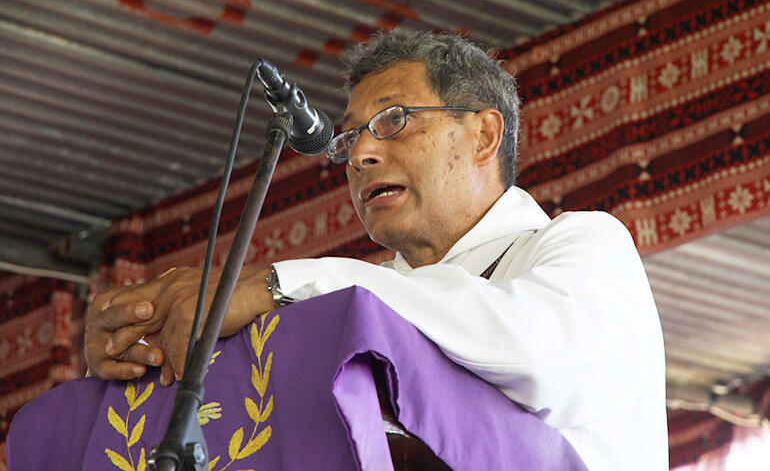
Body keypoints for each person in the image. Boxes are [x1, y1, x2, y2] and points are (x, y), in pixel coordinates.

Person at [85, 30, 668, 471]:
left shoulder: (582, 243)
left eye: (394, 120)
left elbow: (534, 353)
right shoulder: (353, 298)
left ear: (485, 134)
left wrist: (275, 284)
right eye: (350, 136)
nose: (360, 155)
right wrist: (135, 347)